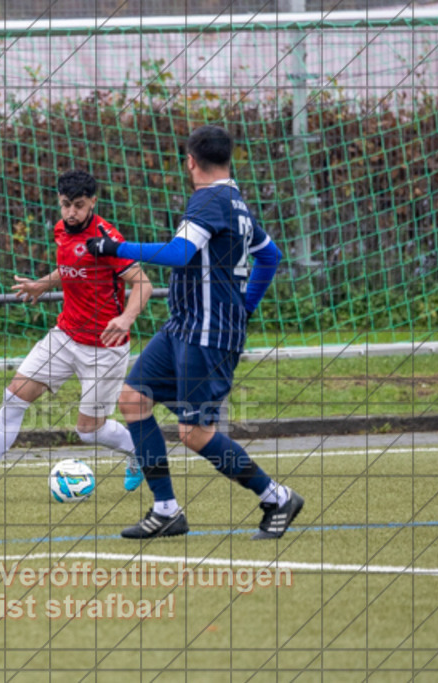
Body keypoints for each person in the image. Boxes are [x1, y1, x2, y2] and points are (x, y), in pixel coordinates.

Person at [86, 124, 303, 540]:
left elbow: (176, 254)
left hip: (208, 334)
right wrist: (246, 305)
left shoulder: (210, 200)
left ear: (190, 161)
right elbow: (270, 257)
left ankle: (276, 496)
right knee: (134, 399)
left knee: (194, 432)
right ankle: (166, 510)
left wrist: (114, 248)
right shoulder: (234, 202)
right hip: (183, 327)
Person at [0, 169, 153, 502]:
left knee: (87, 431)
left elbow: (144, 284)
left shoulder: (108, 240)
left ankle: (141, 452)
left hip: (105, 347)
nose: (71, 213)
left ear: (93, 202)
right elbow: (72, 269)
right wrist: (44, 283)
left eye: (79, 206)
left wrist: (126, 317)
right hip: (65, 336)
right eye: (66, 205)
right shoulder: (60, 231)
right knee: (14, 396)